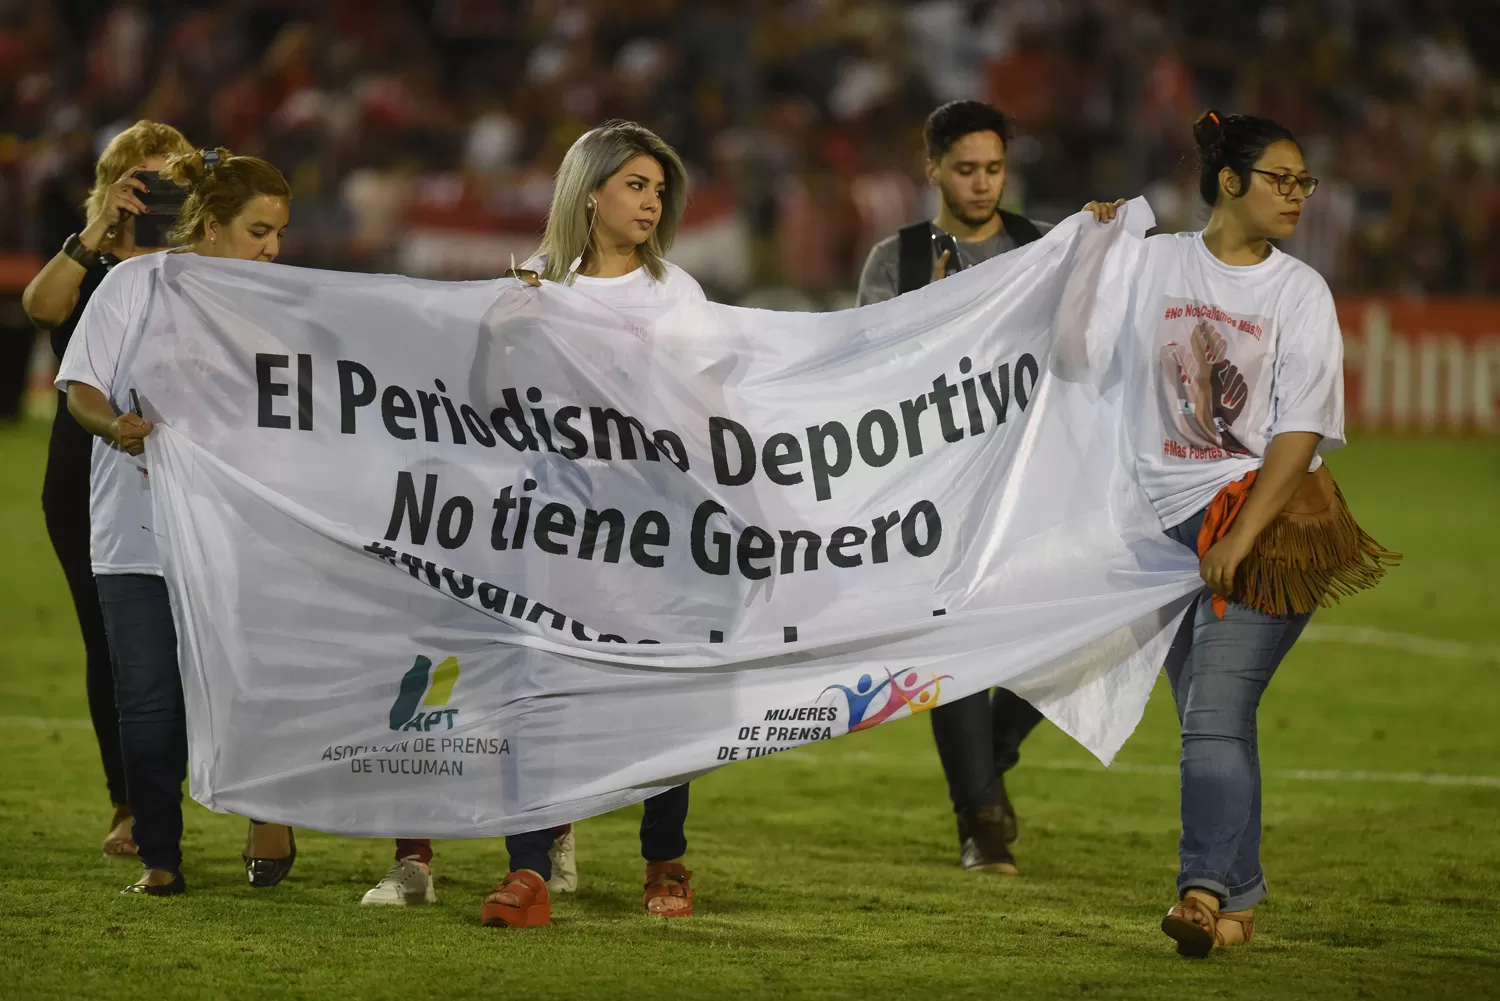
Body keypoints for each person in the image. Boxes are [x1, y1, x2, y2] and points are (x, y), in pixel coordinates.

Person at [1086, 110, 1395, 957]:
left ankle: (1199, 891)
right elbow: (1075, 344)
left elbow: (1299, 430)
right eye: (1282, 179)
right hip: (1166, 530)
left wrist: (1240, 537)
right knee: (1211, 716)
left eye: (1305, 182)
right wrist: (1088, 246)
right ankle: (1241, 903)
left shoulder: (1300, 292)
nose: (1298, 195)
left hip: (1269, 525)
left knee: (1214, 716)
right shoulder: (1153, 262)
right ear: (1230, 182)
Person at [476, 120, 703, 929]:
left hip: (648, 529)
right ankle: (528, 868)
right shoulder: (533, 285)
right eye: (635, 184)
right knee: (537, 691)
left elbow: (708, 414)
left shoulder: (674, 292)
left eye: (658, 186)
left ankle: (663, 855)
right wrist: (500, 338)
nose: (652, 200)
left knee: (659, 689)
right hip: (549, 527)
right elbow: (480, 403)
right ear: (591, 190)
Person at [55, 147, 300, 896]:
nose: (273, 247)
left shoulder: (279, 304)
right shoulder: (134, 285)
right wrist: (117, 426)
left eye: (280, 232)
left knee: (245, 684)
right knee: (148, 695)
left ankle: (268, 813)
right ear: (213, 226)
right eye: (260, 230)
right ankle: (161, 851)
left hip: (235, 532)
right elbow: (81, 392)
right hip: (133, 531)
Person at [856, 99, 1051, 876]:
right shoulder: (896, 261)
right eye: (965, 169)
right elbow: (867, 378)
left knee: (1082, 631)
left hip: (1035, 483)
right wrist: (930, 312)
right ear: (930, 166)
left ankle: (994, 754)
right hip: (937, 495)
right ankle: (981, 821)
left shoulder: (1042, 247)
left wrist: (1102, 238)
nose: (981, 184)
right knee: (957, 649)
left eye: (995, 169)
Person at [23, 120, 194, 858]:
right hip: (85, 468)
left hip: (178, 466)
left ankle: (198, 791)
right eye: (145, 181)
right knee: (110, 639)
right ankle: (127, 802)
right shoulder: (88, 256)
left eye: (170, 183)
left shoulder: (195, 263)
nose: (155, 196)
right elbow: (38, 306)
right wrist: (96, 231)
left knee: (193, 636)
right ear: (117, 181)